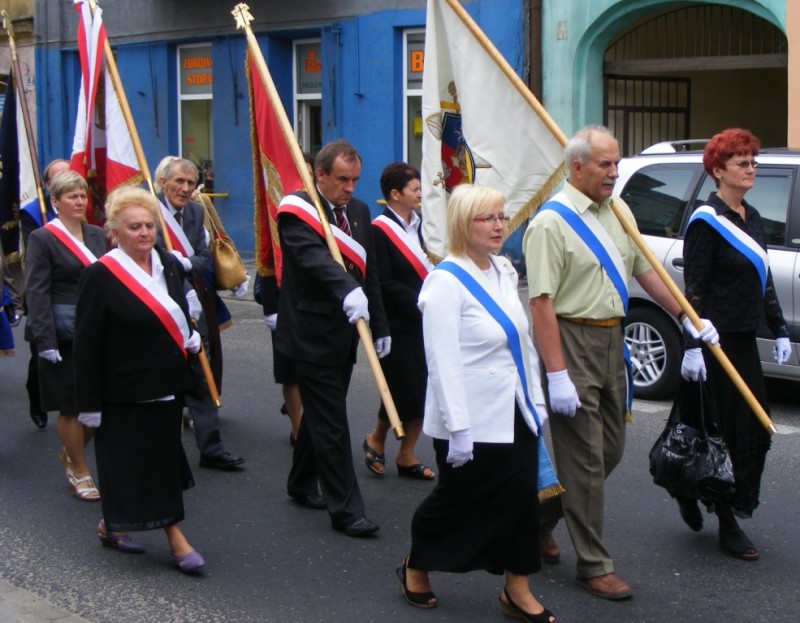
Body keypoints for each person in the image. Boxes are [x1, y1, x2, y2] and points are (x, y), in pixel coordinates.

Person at [523, 125, 719, 600]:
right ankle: (593, 565)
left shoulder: (618, 209)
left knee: (606, 452)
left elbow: (644, 270)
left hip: (614, 340)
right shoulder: (550, 223)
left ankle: (535, 520)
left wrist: (687, 318)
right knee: (585, 459)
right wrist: (556, 374)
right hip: (571, 340)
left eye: (616, 162)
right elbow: (541, 303)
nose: (614, 172)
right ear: (577, 168)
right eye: (605, 164)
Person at [399, 184, 554, 622]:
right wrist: (460, 430)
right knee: (458, 500)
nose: (499, 225)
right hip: (467, 419)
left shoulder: (504, 270)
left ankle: (517, 590)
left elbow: (521, 343)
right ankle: (416, 564)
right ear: (462, 224)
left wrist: (537, 402)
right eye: (487, 218)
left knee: (522, 501)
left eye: (502, 216)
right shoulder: (445, 282)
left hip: (514, 411)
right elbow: (442, 362)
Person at [74, 186, 205, 573]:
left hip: (166, 383)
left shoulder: (167, 263)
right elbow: (87, 344)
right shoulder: (100, 275)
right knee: (129, 464)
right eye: (134, 227)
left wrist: (190, 335)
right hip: (124, 390)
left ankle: (111, 524)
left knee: (159, 461)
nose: (145, 233)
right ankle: (175, 538)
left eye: (149, 225)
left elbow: (175, 309)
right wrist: (89, 403)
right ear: (114, 232)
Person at [677, 128, 789, 561]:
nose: (751, 168)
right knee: (719, 432)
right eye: (742, 162)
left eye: (752, 161)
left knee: (755, 428)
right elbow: (693, 289)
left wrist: (779, 329)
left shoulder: (753, 216)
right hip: (715, 344)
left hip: (744, 338)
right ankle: (726, 521)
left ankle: (692, 488)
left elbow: (764, 279)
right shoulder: (705, 222)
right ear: (718, 170)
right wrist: (692, 344)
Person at [276, 139, 389, 537]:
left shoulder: (358, 211)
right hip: (310, 335)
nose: (350, 188)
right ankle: (346, 510)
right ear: (319, 174)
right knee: (333, 423)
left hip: (346, 332)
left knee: (323, 412)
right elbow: (313, 258)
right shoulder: (297, 210)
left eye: (355, 180)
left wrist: (380, 327)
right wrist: (346, 289)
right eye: (342, 179)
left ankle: (300, 482)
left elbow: (370, 273)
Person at [156, 157, 244, 471]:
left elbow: (205, 259)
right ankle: (162, 452)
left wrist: (184, 264)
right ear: (163, 182)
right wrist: (175, 267)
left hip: (194, 305)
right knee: (164, 379)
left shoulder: (195, 212)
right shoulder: (148, 211)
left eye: (191, 183)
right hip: (160, 306)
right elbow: (150, 259)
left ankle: (212, 448)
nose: (185, 188)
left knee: (201, 373)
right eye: (179, 181)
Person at [24, 171, 107, 500]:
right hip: (63, 334)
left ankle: (71, 453)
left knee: (99, 402)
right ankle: (80, 470)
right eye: (71, 196)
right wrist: (45, 341)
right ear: (56, 202)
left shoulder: (97, 235)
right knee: (71, 405)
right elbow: (37, 291)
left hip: (97, 329)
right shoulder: (43, 238)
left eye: (83, 195)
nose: (79, 201)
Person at [362, 162, 434, 480]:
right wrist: (421, 301)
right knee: (403, 387)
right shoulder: (379, 230)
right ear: (395, 194)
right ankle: (376, 437)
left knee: (426, 387)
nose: (420, 194)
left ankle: (407, 454)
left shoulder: (421, 225)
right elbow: (382, 282)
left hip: (427, 322)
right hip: (398, 322)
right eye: (414, 189)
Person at [258, 152, 315, 446]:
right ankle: (297, 428)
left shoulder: (321, 208)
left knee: (312, 367)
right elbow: (267, 255)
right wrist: (271, 306)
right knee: (290, 371)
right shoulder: (278, 207)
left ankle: (300, 408)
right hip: (283, 301)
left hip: (313, 303)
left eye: (309, 174)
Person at [20, 158, 71, 429]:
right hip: (45, 291)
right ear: (48, 186)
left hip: (74, 295)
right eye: (58, 178)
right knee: (40, 356)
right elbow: (34, 254)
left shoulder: (84, 208)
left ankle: (72, 407)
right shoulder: (33, 212)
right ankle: (37, 399)